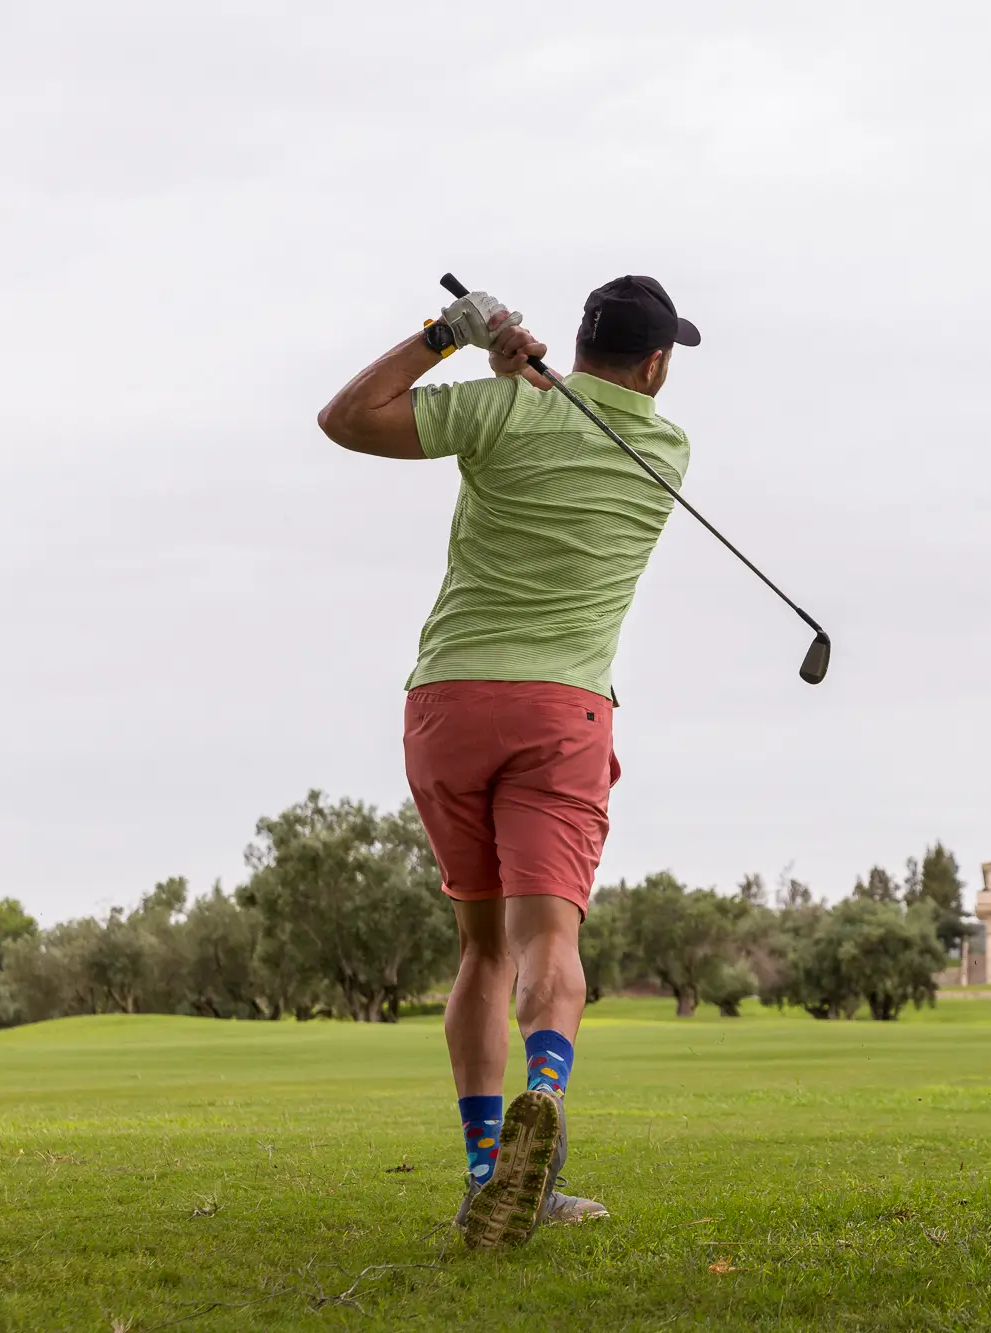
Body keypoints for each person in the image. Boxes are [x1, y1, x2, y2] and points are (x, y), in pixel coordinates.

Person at [316, 275, 701, 1249]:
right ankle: (545, 1094)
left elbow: (347, 419)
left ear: (574, 346)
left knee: (480, 949)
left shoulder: (500, 412)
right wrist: (514, 377)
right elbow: (580, 420)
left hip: (447, 701)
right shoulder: (660, 447)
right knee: (548, 944)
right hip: (562, 711)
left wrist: (452, 337)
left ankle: (487, 1172)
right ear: (655, 365)